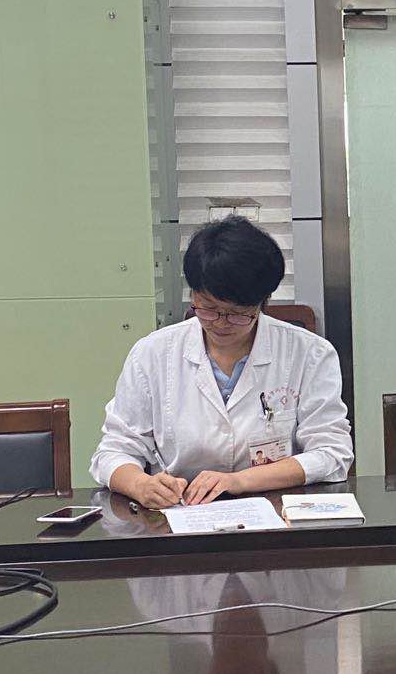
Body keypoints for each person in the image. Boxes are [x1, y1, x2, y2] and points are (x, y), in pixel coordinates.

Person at [91, 217, 353, 508]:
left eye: (237, 313)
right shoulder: (153, 353)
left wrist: (239, 481)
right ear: (193, 294)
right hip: (178, 514)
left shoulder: (309, 353)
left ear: (263, 301)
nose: (221, 323)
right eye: (208, 308)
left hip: (274, 512)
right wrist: (140, 485)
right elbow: (113, 452)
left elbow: (332, 453)